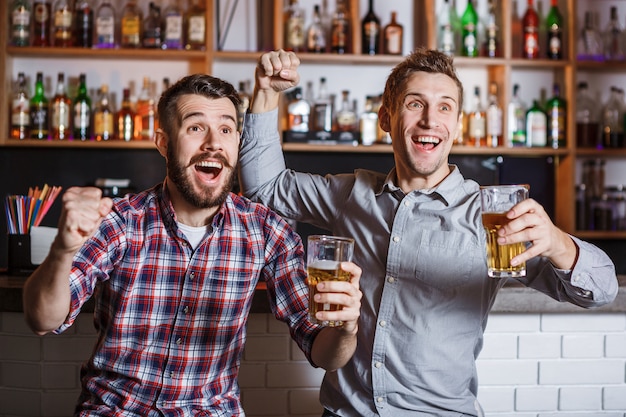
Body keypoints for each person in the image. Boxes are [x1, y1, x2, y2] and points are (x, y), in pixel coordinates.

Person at [238, 48, 619, 416]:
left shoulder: (490, 216)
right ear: (386, 118)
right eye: (415, 103)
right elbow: (264, 188)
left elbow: (602, 291)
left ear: (456, 125)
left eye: (445, 107)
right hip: (345, 413)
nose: (430, 120)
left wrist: (557, 242)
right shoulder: (351, 195)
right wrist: (266, 93)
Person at [22, 73, 362, 416]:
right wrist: (62, 251)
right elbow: (43, 319)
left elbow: (323, 353)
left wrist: (345, 329)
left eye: (226, 129)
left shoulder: (267, 231)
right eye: (196, 128)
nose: (214, 143)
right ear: (163, 143)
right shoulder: (120, 221)